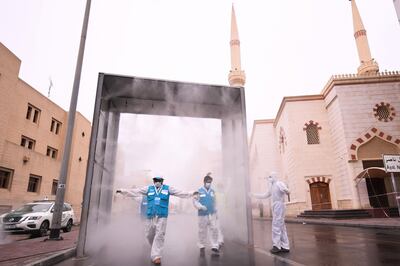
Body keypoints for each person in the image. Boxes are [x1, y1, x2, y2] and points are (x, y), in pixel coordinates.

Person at [116, 176, 194, 265]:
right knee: (148, 234)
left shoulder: (168, 189)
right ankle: (154, 245)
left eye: (159, 181)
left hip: (162, 216)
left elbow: (180, 193)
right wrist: (123, 191)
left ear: (162, 182)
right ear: (154, 181)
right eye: (155, 181)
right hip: (150, 215)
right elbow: (136, 192)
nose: (157, 182)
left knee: (159, 235)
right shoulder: (148, 189)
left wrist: (192, 193)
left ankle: (156, 256)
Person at [252, 171, 290, 254]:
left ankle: (276, 246)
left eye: (270, 177)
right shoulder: (272, 186)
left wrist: (286, 190)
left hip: (279, 205)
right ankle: (285, 246)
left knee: (276, 225)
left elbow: (286, 190)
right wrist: (254, 195)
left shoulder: (279, 183)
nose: (269, 178)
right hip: (276, 206)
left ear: (274, 176)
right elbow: (265, 195)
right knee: (281, 226)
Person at [192, 174, 220, 256]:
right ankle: (201, 245)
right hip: (202, 214)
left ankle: (215, 245)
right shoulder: (198, 191)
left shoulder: (212, 191)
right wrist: (200, 206)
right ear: (204, 182)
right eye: (208, 182)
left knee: (214, 229)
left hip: (212, 214)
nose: (209, 183)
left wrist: (216, 211)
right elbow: (195, 201)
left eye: (210, 182)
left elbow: (215, 202)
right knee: (202, 230)